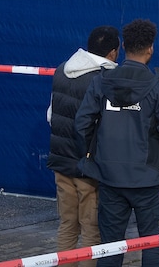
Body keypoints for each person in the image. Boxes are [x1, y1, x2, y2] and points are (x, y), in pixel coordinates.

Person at [76, 19, 159, 267]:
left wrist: (92, 160)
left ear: (122, 46)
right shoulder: (158, 87)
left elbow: (82, 125)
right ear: (151, 48)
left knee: (110, 249)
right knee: (153, 247)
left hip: (111, 180)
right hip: (150, 181)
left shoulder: (101, 82)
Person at [47, 26, 121, 267]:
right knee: (91, 230)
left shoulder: (61, 70)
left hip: (61, 162)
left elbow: (50, 116)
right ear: (112, 52)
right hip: (88, 167)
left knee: (67, 225)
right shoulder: (105, 79)